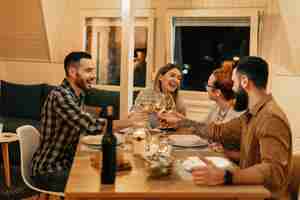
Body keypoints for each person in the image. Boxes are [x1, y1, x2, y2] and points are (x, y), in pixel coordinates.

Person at [159, 56, 292, 199]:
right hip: (249, 191)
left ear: (245, 82)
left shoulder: (270, 117)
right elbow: (219, 131)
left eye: (234, 82)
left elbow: (274, 171)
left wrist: (226, 176)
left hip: (263, 196)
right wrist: (181, 121)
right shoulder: (252, 114)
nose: (232, 89)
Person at [31, 52, 106, 192]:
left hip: (65, 164)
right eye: (88, 71)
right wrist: (129, 122)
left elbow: (82, 129)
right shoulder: (60, 95)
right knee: (99, 186)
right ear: (72, 71)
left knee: (102, 175)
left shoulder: (78, 95)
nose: (93, 76)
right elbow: (91, 125)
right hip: (49, 171)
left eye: (93, 71)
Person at [204, 63, 244, 162]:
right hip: (215, 158)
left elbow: (245, 155)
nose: (206, 88)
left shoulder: (238, 115)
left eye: (208, 85)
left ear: (217, 92)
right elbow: (202, 128)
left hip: (230, 166)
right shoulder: (216, 107)